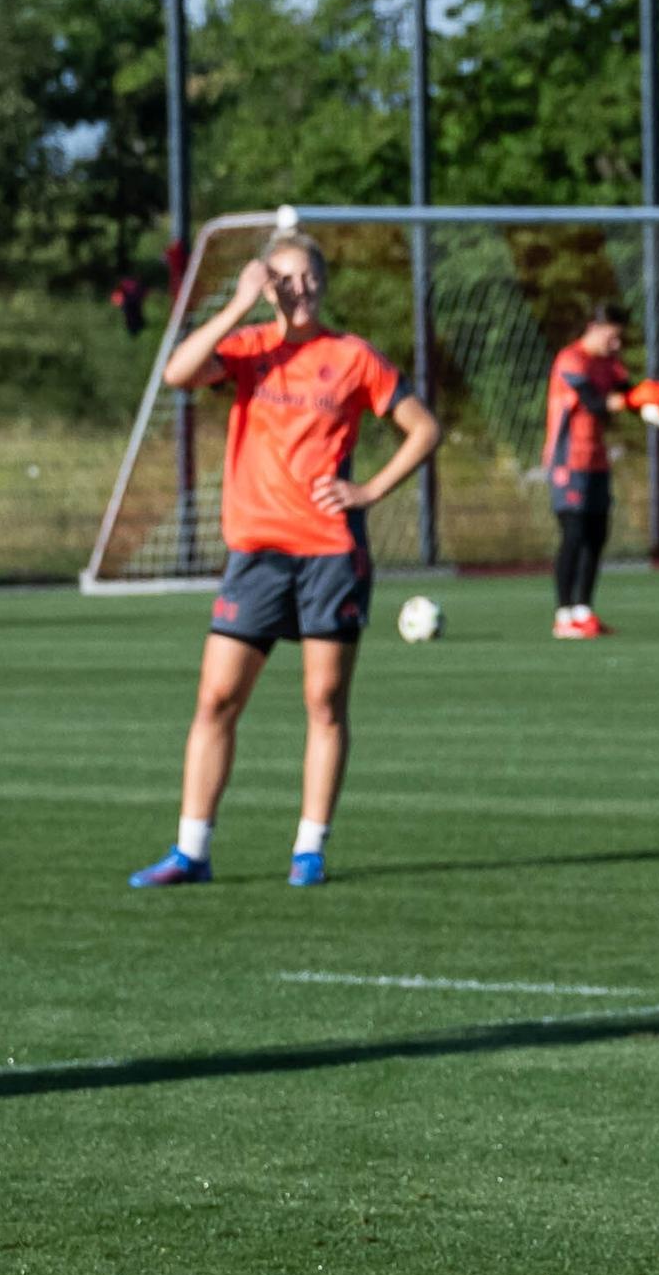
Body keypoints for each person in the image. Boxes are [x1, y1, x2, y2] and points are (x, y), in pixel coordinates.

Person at [128, 230, 439, 890]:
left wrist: (370, 490)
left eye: (309, 279)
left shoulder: (352, 356)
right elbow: (177, 372)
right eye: (285, 280)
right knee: (216, 699)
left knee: (324, 701)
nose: (300, 291)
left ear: (325, 284)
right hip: (258, 555)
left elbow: (424, 428)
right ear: (269, 285)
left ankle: (309, 849)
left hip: (329, 552)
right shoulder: (249, 350)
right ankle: (191, 851)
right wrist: (237, 305)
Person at [545, 303, 632, 638]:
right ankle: (563, 616)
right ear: (594, 327)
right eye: (613, 336)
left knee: (597, 535)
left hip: (597, 460)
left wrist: (655, 399)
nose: (617, 345)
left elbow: (627, 390)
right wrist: (636, 401)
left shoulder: (608, 363)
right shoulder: (571, 360)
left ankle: (584, 611)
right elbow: (595, 403)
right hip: (568, 461)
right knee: (574, 533)